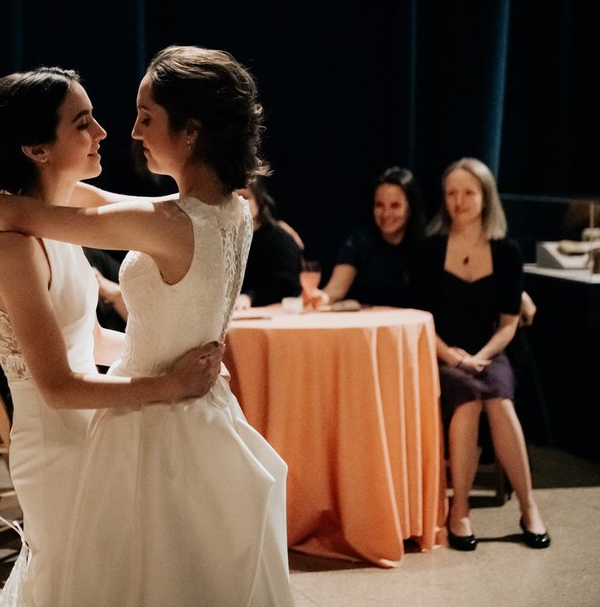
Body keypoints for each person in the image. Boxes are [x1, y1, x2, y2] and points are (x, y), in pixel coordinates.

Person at [0, 46, 294, 605]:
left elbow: (31, 212)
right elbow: (71, 204)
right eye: (89, 121)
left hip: (153, 420)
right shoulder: (232, 210)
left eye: (146, 117)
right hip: (178, 415)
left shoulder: (166, 221)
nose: (126, 131)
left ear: (191, 133)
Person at [409, 157, 549, 552]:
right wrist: (453, 358)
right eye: (451, 193)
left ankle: (529, 507)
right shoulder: (429, 249)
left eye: (468, 192)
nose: (458, 200)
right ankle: (460, 511)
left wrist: (482, 355)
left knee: (499, 399)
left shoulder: (506, 252)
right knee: (468, 399)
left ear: (486, 198)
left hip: (491, 351)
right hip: (441, 352)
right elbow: (422, 319)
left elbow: (508, 323)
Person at [310, 166, 425, 309]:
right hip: (368, 328)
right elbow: (335, 290)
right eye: (379, 205)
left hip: (409, 328)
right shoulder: (360, 240)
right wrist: (320, 298)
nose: (386, 214)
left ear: (410, 210)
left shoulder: (426, 246)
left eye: (395, 206)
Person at [234, 177, 302, 309]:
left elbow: (287, 287)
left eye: (244, 197)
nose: (237, 204)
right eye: (231, 198)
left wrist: (250, 297)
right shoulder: (221, 239)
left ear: (259, 201)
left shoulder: (280, 239)